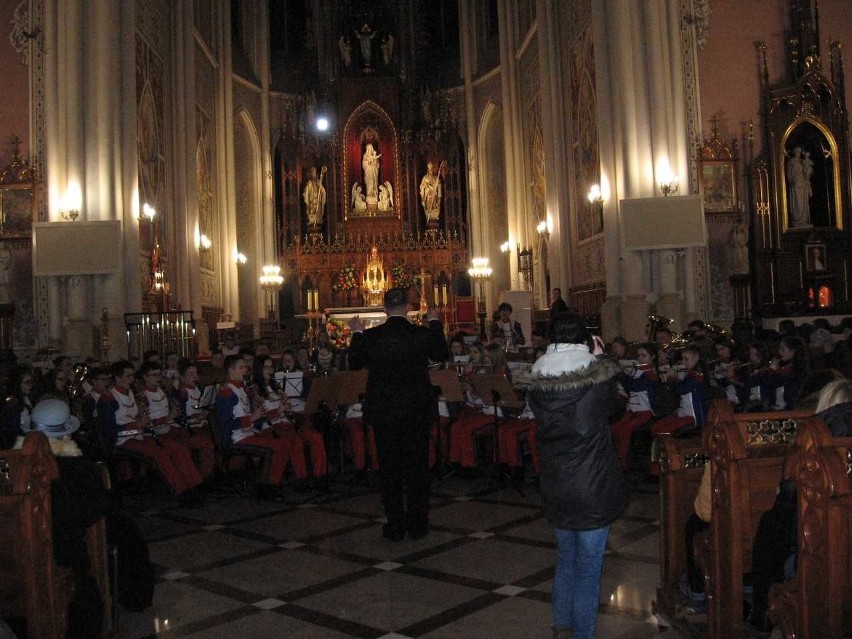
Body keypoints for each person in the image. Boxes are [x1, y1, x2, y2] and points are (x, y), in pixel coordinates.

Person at [514, 313, 627, 639]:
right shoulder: (595, 373)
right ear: (586, 339)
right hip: (591, 482)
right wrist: (601, 359)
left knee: (565, 557)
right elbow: (616, 409)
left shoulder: (537, 375)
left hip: (555, 480)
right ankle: (582, 635)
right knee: (589, 567)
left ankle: (561, 623)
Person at [348, 288, 448, 541]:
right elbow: (441, 353)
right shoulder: (420, 334)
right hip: (416, 410)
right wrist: (435, 321)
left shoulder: (371, 337)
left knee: (389, 470)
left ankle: (394, 526)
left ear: (384, 308)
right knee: (417, 469)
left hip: (384, 412)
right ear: (408, 307)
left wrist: (357, 333)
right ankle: (417, 525)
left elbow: (355, 362)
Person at [786, 146, 811, 227]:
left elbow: (807, 173)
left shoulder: (802, 161)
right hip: (795, 184)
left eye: (799, 152)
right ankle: (797, 221)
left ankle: (803, 221)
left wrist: (808, 170)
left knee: (804, 202)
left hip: (803, 184)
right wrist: (792, 180)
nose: (798, 153)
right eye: (796, 152)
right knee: (797, 203)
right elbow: (789, 173)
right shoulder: (791, 161)